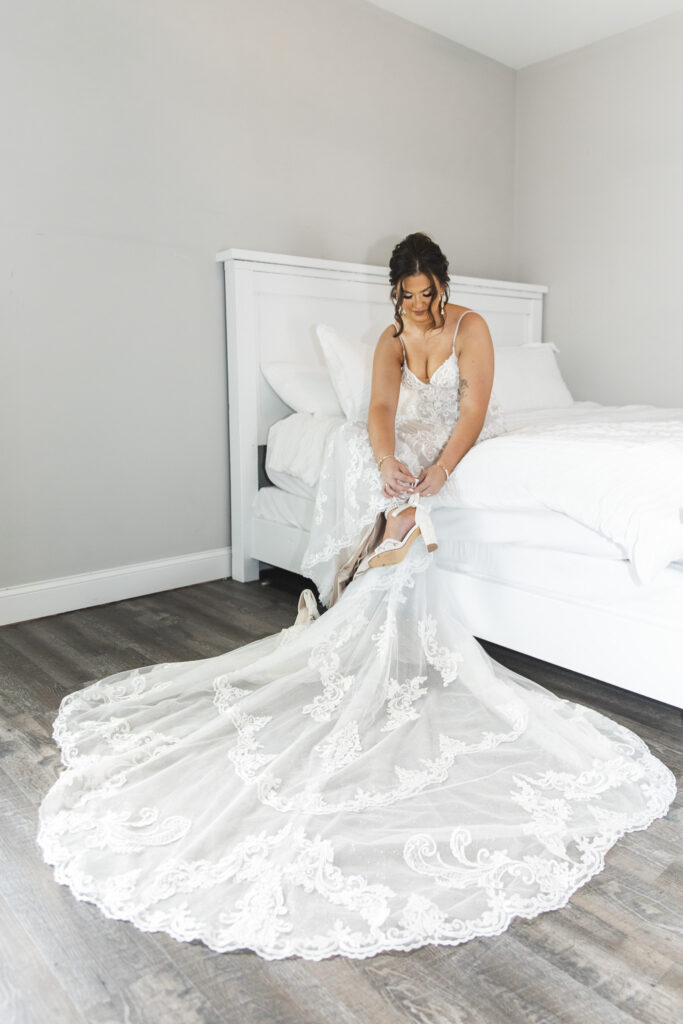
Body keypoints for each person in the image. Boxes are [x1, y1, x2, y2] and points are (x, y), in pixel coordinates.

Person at [36, 234, 676, 963]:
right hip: (405, 446)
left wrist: (441, 469)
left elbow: (472, 408)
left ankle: (392, 544)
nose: (419, 305)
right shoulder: (390, 338)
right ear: (394, 294)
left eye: (428, 293)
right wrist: (386, 457)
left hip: (458, 442)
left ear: (443, 286)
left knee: (415, 495)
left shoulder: (471, 328)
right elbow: (377, 406)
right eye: (407, 296)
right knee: (380, 481)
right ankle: (384, 553)